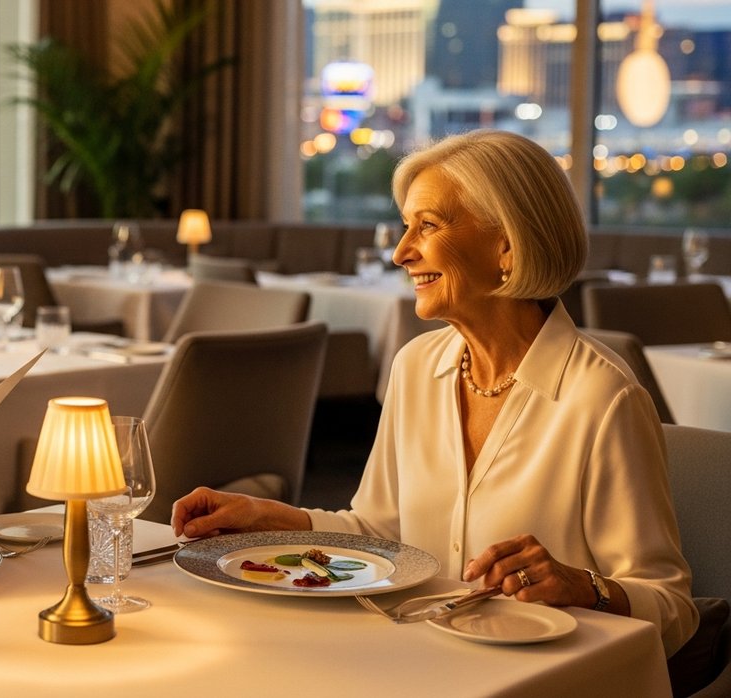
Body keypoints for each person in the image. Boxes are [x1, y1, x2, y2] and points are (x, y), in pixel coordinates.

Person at [171, 130, 697, 656]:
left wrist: (584, 586)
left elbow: (673, 609)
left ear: (506, 244)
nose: (402, 252)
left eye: (428, 226)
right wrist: (271, 519)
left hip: (545, 677)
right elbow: (379, 532)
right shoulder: (416, 366)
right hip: (422, 659)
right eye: (406, 227)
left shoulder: (602, 397)